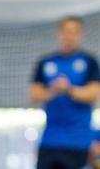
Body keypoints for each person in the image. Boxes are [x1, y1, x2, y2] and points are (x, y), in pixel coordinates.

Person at [30, 16, 100, 169]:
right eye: (66, 31)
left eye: (74, 32)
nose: (70, 36)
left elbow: (93, 94)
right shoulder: (45, 62)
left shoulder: (89, 61)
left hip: (79, 142)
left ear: (80, 35)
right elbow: (35, 94)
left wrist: (68, 89)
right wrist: (54, 90)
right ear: (59, 34)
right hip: (50, 140)